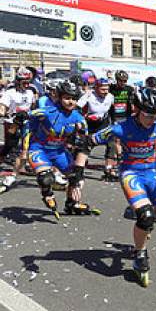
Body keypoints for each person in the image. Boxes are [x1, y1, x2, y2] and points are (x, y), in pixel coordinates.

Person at [86, 87, 156, 286]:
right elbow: (88, 141)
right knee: (146, 216)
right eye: (149, 114)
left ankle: (144, 222)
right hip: (131, 174)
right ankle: (140, 253)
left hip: (153, 174)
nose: (153, 119)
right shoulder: (120, 128)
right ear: (136, 109)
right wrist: (77, 166)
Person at [27, 81, 96, 218]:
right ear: (59, 97)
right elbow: (27, 116)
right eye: (67, 98)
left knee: (77, 179)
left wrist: (79, 166)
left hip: (59, 152)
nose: (71, 102)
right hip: (40, 149)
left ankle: (71, 203)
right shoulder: (47, 112)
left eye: (74, 99)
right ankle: (47, 194)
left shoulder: (79, 118)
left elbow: (84, 144)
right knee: (46, 178)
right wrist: (20, 118)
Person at [0, 69, 37, 193]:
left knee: (26, 148)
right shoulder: (9, 93)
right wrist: (4, 113)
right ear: (18, 81)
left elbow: (32, 107)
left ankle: (24, 167)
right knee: (9, 146)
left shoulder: (30, 92)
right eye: (24, 83)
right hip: (12, 122)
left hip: (25, 123)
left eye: (28, 82)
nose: (27, 85)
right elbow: (2, 108)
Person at [77, 78, 116, 181]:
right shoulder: (89, 95)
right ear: (96, 88)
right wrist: (84, 118)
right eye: (103, 89)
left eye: (107, 89)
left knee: (111, 144)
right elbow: (77, 108)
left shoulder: (110, 97)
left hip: (103, 124)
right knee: (85, 146)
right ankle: (79, 168)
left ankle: (109, 169)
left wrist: (114, 123)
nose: (105, 92)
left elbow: (112, 110)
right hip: (89, 125)